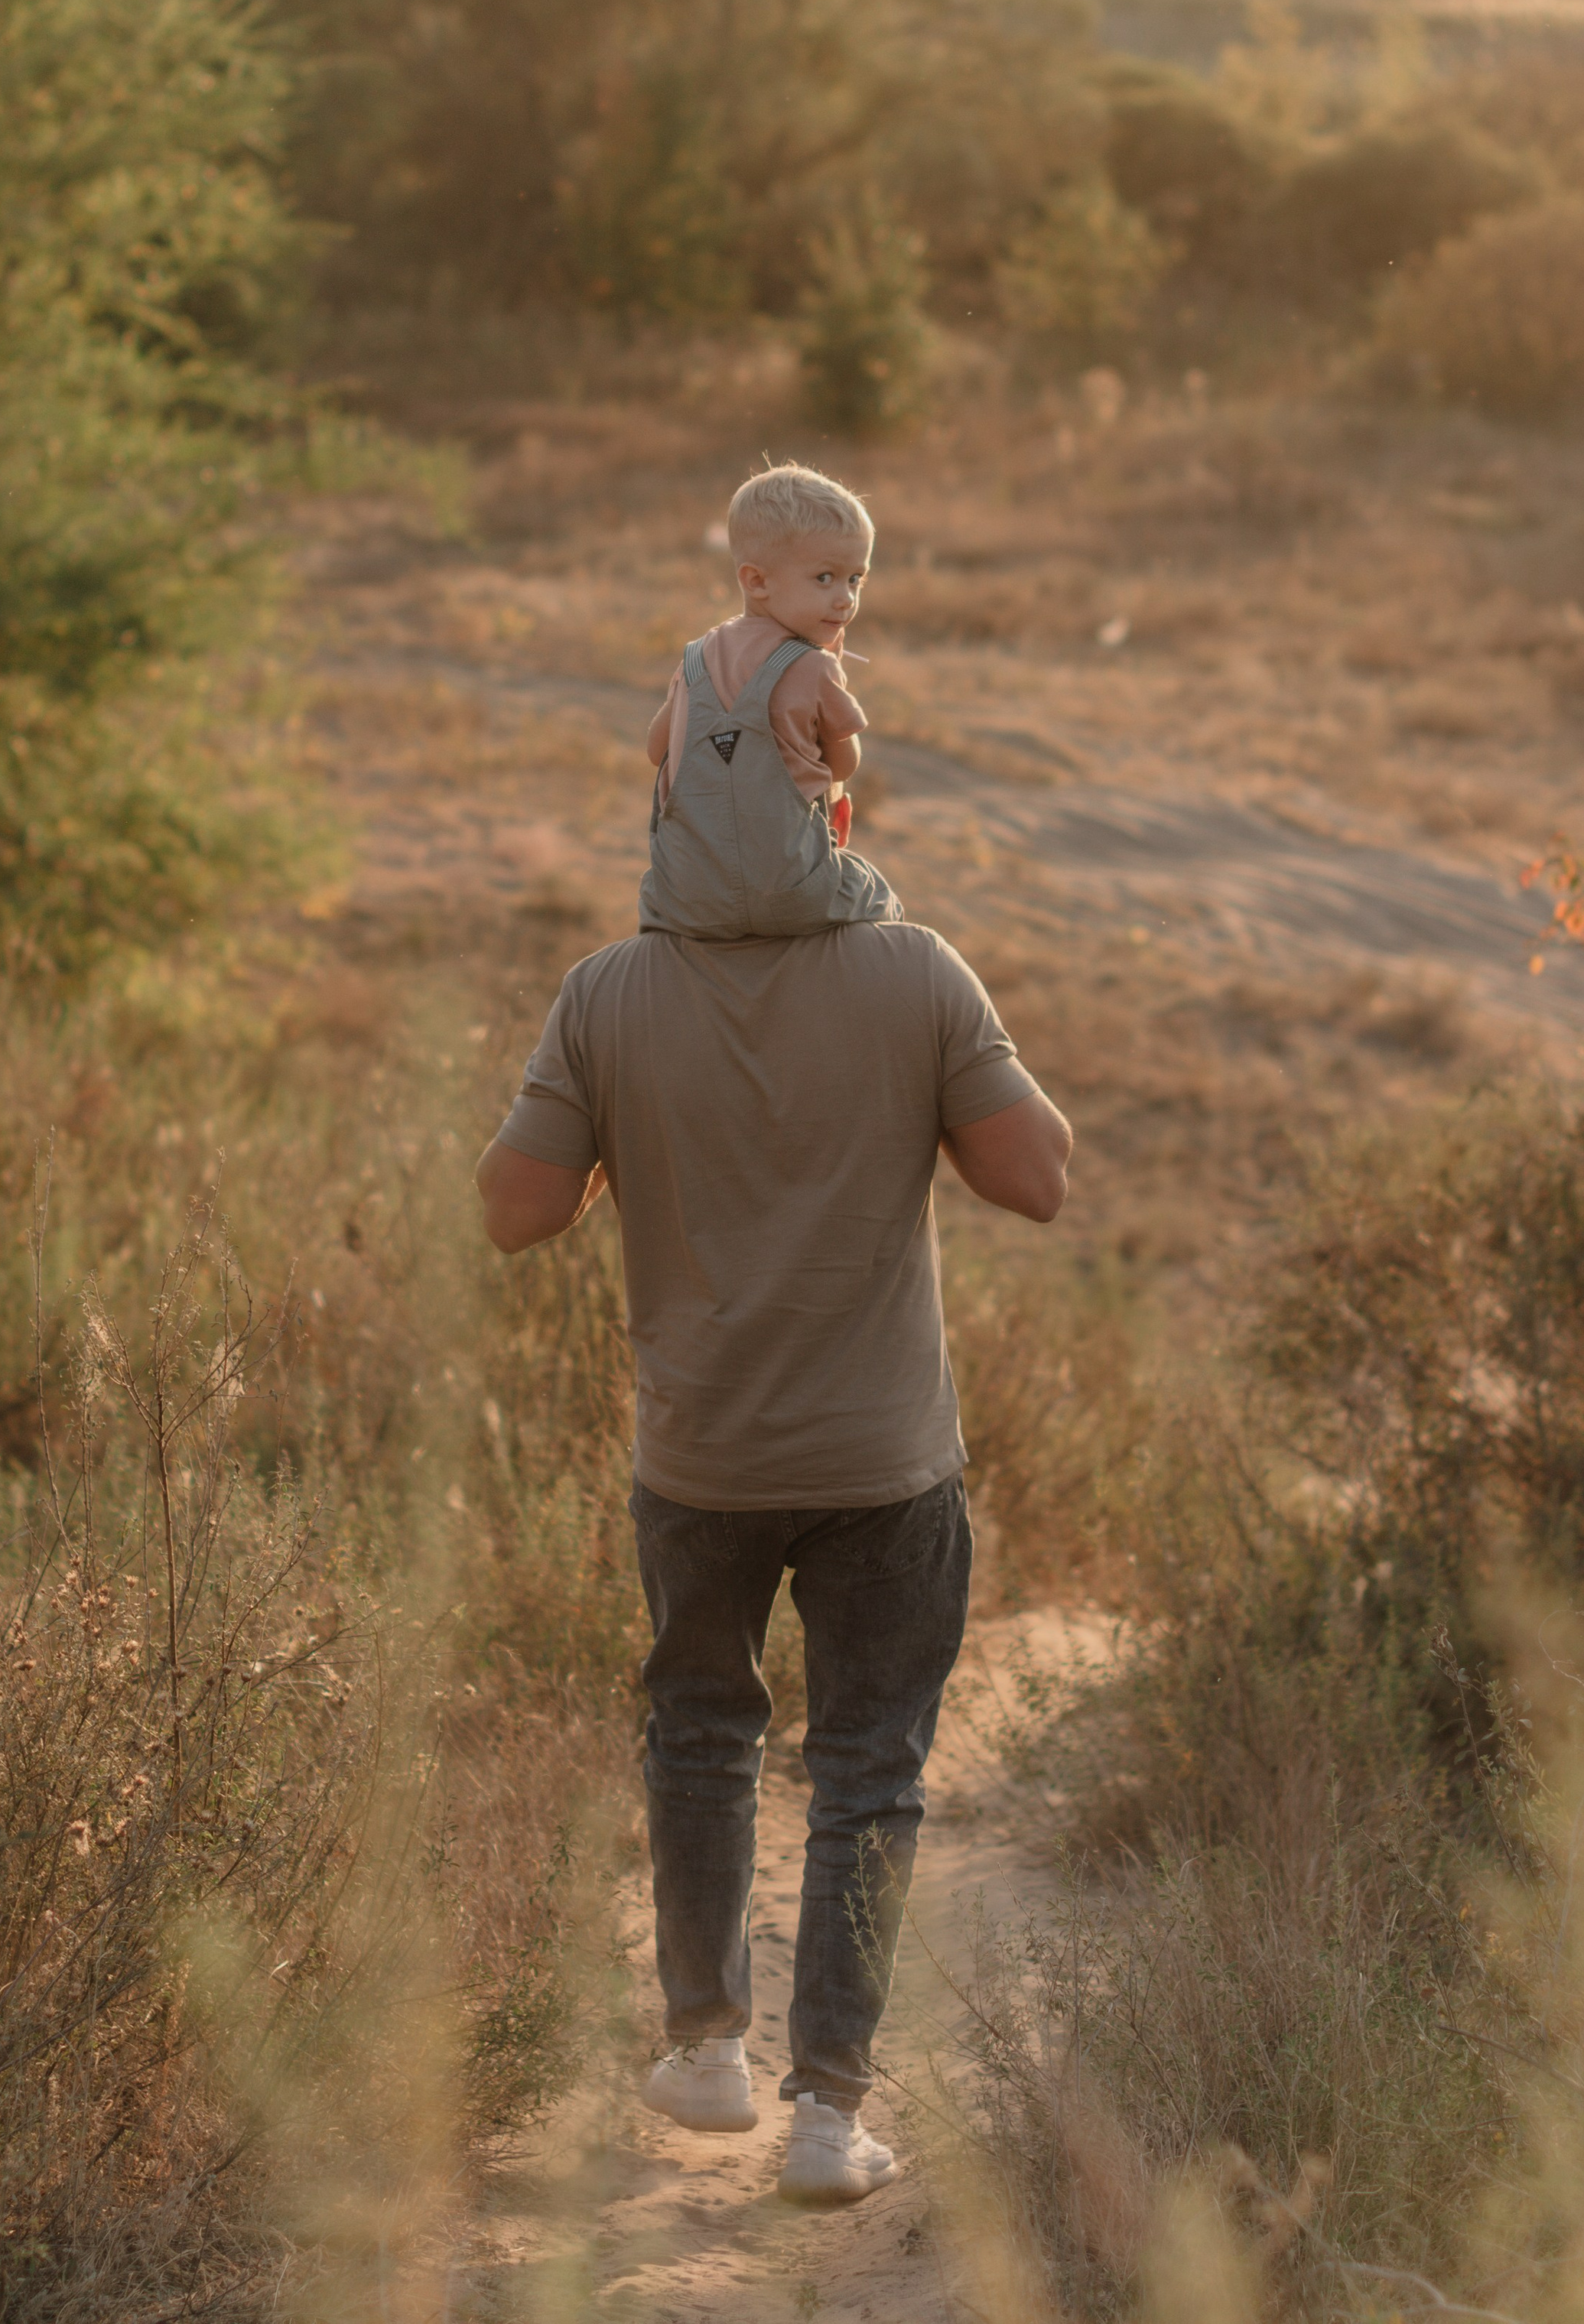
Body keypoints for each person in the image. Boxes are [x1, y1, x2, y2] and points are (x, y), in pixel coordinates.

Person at [474, 896, 1072, 2204]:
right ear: (833, 813)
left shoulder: (605, 993)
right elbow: (1038, 1177)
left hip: (700, 1461)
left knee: (700, 1730)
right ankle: (827, 2115)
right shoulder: (918, 971)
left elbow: (514, 1210)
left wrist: (624, 1135)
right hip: (884, 1464)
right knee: (867, 1773)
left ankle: (704, 2052)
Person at [641, 463, 901, 941]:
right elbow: (844, 764)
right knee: (881, 899)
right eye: (825, 578)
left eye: (855, 580)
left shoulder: (694, 661)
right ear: (757, 581)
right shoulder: (814, 666)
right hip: (791, 891)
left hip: (684, 895)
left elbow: (657, 751)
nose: (844, 599)